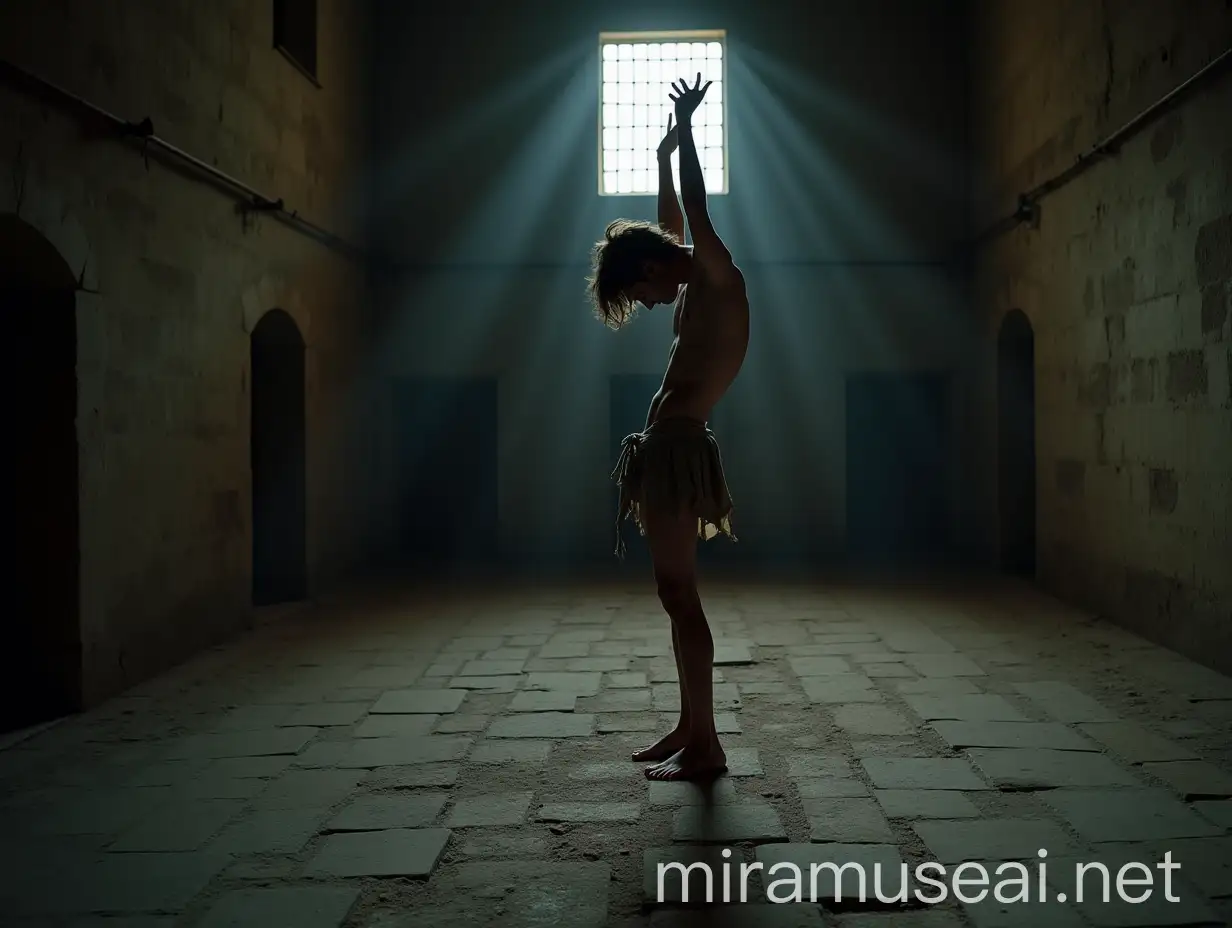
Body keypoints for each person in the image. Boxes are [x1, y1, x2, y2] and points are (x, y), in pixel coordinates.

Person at [586, 75, 750, 782]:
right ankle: (690, 727)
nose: (650, 306)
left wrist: (687, 132)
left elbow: (693, 213)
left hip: (680, 450)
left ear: (653, 270)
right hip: (664, 450)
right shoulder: (686, 280)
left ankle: (707, 744)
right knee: (673, 595)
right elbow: (670, 227)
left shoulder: (717, 277)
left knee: (681, 595)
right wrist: (659, 154)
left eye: (639, 293)